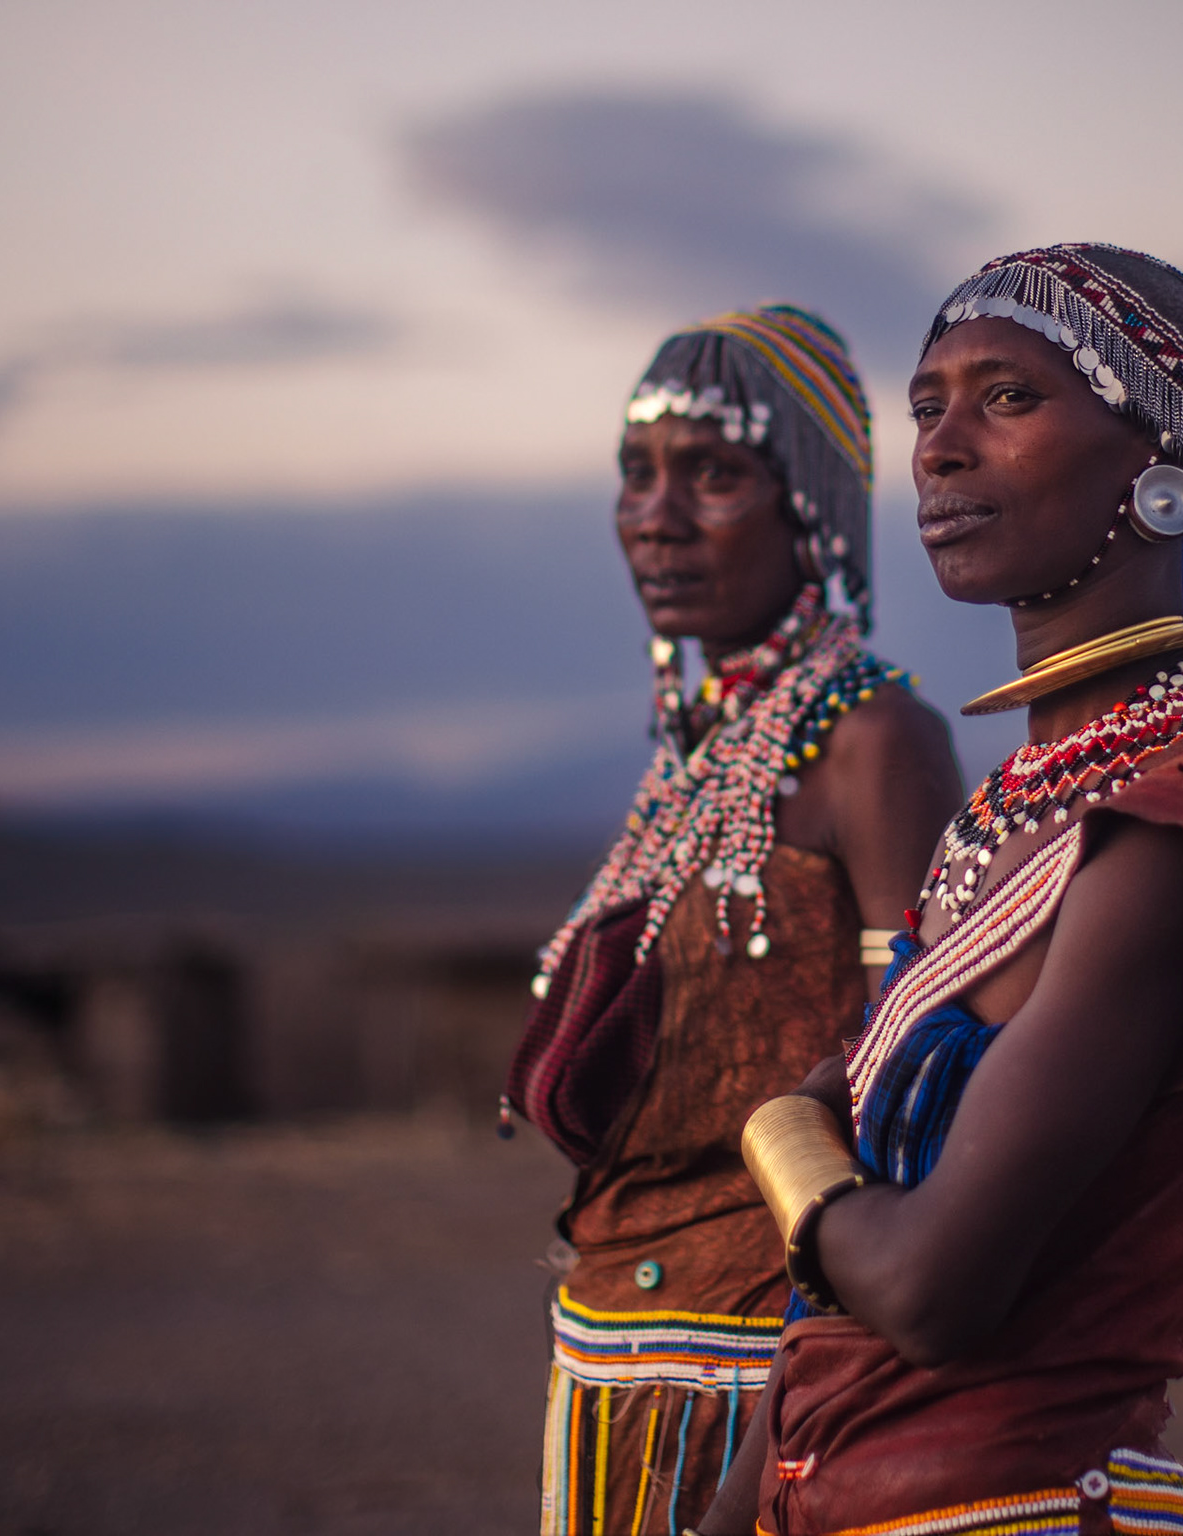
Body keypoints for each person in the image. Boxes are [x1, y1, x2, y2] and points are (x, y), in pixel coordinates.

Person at [711, 247, 1183, 1536]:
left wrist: (783, 1140)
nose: (937, 449)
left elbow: (938, 1290)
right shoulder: (1009, 809)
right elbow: (851, 1278)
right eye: (929, 405)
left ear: (1156, 464)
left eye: (1007, 398)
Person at [504, 303, 961, 1536]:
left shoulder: (875, 742)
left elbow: (912, 1097)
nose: (655, 515)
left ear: (808, 503)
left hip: (759, 1380)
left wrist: (793, 1419)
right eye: (636, 475)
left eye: (712, 474)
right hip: (612, 1348)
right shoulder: (703, 753)